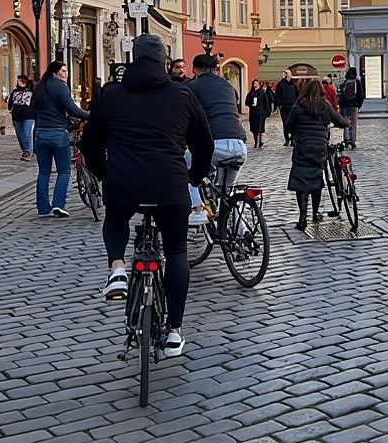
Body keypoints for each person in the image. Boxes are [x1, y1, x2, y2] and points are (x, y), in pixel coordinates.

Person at [81, 34, 213, 359]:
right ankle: (174, 332)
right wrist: (194, 176)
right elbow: (204, 144)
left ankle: (117, 267)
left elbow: (90, 144)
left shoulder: (111, 95)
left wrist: (104, 173)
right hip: (170, 185)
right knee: (177, 252)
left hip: (124, 182)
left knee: (116, 216)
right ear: (164, 61)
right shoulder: (182, 94)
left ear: (133, 59)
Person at [185, 53, 248, 226]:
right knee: (228, 192)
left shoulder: (192, 86)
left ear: (194, 69)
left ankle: (197, 209)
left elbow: (187, 116)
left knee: (185, 167)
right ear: (215, 69)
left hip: (215, 142)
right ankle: (241, 230)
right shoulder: (228, 86)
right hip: (239, 143)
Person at [285, 79, 349, 230]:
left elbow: (288, 127)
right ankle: (315, 214)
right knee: (316, 180)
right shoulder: (324, 105)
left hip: (302, 148)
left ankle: (302, 218)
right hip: (319, 148)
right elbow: (339, 120)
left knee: (301, 183)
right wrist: (346, 122)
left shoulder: (298, 106)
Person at [32, 60, 88, 217]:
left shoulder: (40, 87)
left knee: (44, 172)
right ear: (54, 72)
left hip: (40, 133)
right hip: (58, 133)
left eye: (66, 71)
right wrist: (89, 115)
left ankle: (43, 208)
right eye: (63, 71)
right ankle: (58, 204)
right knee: (64, 171)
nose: (66, 74)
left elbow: (34, 109)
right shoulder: (60, 87)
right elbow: (72, 109)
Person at [8, 75, 36, 161]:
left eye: (22, 80)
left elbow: (36, 103)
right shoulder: (14, 91)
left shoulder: (32, 92)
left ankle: (28, 152)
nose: (20, 82)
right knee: (20, 135)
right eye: (19, 80)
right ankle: (25, 150)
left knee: (27, 133)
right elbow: (10, 103)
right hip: (16, 116)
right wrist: (11, 109)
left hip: (29, 116)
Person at [337, 67, 363, 149]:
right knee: (353, 124)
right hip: (354, 106)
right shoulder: (357, 82)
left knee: (346, 123)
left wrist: (341, 105)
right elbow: (361, 95)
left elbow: (341, 94)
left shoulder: (345, 82)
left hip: (345, 106)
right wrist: (359, 105)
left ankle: (346, 139)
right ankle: (353, 141)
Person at [244, 80, 272, 148]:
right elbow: (246, 102)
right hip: (253, 113)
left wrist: (267, 112)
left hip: (260, 113)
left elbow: (266, 103)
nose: (255, 85)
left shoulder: (262, 93)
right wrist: (251, 103)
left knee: (259, 129)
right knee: (254, 129)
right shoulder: (251, 93)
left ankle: (257, 143)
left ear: (259, 84)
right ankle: (258, 142)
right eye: (254, 83)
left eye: (256, 83)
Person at [275, 70, 299, 145]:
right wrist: (279, 104)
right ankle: (287, 140)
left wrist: (296, 104)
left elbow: (297, 95)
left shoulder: (293, 84)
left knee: (293, 123)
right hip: (284, 107)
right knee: (285, 123)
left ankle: (292, 139)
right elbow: (277, 95)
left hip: (292, 107)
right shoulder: (280, 84)